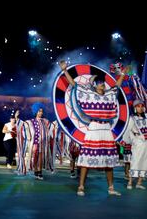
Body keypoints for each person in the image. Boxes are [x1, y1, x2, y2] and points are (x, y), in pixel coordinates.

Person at [59, 60, 126, 196]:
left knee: (109, 161)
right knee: (87, 159)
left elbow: (117, 86)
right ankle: (81, 186)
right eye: (98, 82)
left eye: (102, 82)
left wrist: (123, 74)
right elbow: (74, 84)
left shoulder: (109, 95)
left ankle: (111, 188)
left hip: (106, 130)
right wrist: (65, 70)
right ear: (94, 85)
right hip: (94, 128)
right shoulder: (89, 95)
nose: (101, 84)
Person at [24, 103, 51, 180]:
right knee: (35, 157)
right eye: (39, 111)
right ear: (35, 111)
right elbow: (24, 126)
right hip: (35, 143)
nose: (40, 113)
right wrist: (16, 119)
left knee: (41, 158)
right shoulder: (31, 121)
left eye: (42, 111)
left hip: (42, 143)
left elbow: (52, 126)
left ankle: (40, 172)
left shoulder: (45, 121)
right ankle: (35, 170)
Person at [124, 99, 147, 190]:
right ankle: (130, 182)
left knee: (145, 162)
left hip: (146, 143)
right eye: (138, 106)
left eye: (142, 106)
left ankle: (139, 182)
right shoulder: (132, 118)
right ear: (134, 108)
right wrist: (133, 140)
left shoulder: (146, 117)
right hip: (138, 142)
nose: (140, 108)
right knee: (135, 162)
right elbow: (128, 131)